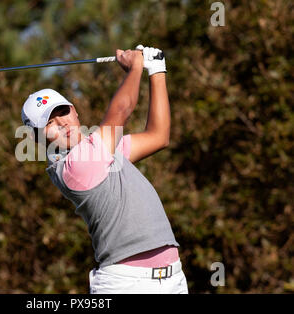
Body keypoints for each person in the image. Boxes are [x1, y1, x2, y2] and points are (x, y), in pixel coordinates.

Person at [21, 45, 188, 294]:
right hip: (128, 284)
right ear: (37, 138)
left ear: (75, 112)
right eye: (50, 124)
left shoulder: (102, 150)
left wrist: (157, 71)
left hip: (173, 278)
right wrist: (135, 67)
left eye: (63, 112)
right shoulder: (75, 166)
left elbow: (158, 136)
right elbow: (120, 111)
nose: (63, 123)